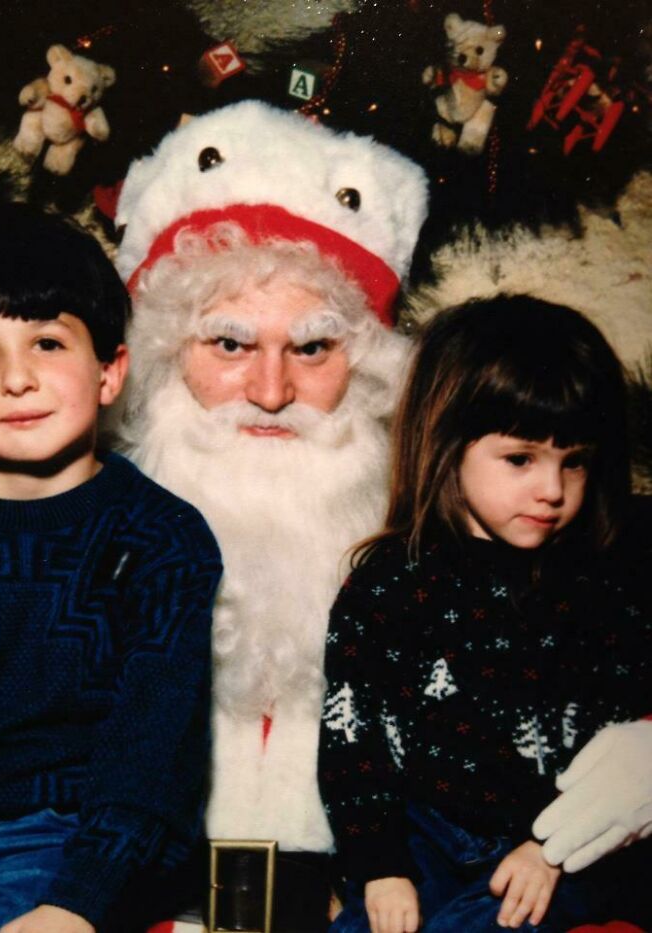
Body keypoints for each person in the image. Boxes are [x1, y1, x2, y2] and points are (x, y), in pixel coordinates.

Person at [113, 100, 430, 929]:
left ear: (366, 367)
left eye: (314, 346)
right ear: (160, 357)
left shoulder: (427, 552)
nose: (270, 393)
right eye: (229, 343)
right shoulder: (95, 540)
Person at [319, 295, 651, 932]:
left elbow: (616, 737)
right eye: (521, 459)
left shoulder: (606, 579)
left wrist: (551, 851)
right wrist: (379, 867)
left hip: (561, 845)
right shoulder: (388, 584)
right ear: (448, 446)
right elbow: (352, 740)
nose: (553, 490)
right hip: (427, 837)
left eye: (574, 462)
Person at [0, 185, 221, 933]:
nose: (16, 378)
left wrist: (77, 900)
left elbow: (152, 748)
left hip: (66, 838)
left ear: (109, 370)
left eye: (47, 342)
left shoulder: (161, 539)